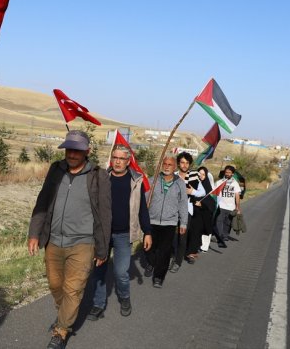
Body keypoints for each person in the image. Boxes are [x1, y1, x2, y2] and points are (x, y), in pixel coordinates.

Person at [28, 130, 112, 349]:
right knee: (56, 285)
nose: (72, 154)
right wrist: (34, 233)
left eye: (77, 150)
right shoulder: (56, 170)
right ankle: (64, 314)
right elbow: (42, 202)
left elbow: (104, 214)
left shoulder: (98, 175)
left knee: (73, 289)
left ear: (87, 151)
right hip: (53, 240)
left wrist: (102, 249)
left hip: (83, 243)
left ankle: (61, 331)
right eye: (69, 149)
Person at [88, 144, 151, 320]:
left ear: (128, 160)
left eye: (121, 158)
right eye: (115, 157)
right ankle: (98, 304)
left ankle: (124, 298)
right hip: (103, 234)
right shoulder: (102, 178)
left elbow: (142, 210)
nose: (117, 161)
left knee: (121, 272)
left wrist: (148, 232)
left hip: (124, 234)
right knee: (99, 271)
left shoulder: (136, 181)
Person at [144, 156, 188, 288]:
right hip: (151, 220)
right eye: (165, 164)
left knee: (164, 251)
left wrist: (183, 222)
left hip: (170, 223)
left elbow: (183, 204)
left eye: (170, 164)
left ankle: (158, 276)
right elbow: (144, 200)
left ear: (175, 167)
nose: (167, 166)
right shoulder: (153, 180)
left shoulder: (180, 183)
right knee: (149, 248)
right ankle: (151, 263)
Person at [170, 152, 204, 271]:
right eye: (182, 162)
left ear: (189, 164)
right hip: (172, 211)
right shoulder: (173, 175)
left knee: (182, 237)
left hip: (186, 211)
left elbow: (202, 192)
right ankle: (172, 256)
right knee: (172, 236)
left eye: (187, 163)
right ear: (178, 163)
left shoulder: (194, 175)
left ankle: (177, 262)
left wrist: (192, 192)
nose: (184, 165)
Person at [193, 166, 220, 252]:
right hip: (195, 213)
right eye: (199, 174)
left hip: (205, 213)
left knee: (205, 228)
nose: (201, 176)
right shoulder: (193, 185)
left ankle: (204, 246)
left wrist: (202, 204)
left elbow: (210, 203)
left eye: (203, 174)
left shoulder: (208, 188)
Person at [214, 165, 242, 241]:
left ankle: (225, 235)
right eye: (226, 172)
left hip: (231, 207)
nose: (227, 174)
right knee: (219, 221)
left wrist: (238, 207)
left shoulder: (235, 184)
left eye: (229, 172)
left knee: (228, 223)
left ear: (232, 174)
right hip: (221, 206)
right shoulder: (220, 182)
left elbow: (237, 196)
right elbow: (213, 193)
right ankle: (219, 235)